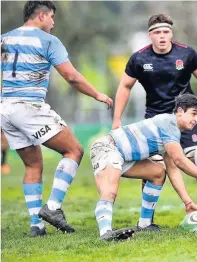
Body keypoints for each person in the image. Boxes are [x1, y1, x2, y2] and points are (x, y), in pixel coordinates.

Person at [0, 1, 113, 237]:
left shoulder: (5, 38)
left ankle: (36, 226)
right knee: (74, 150)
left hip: (6, 109)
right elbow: (71, 76)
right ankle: (53, 207)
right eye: (51, 17)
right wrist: (97, 94)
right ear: (41, 16)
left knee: (33, 165)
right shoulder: (48, 40)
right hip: (29, 107)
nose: (53, 23)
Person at [112, 13, 197, 203]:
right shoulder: (139, 58)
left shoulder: (186, 53)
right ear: (150, 35)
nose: (162, 36)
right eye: (157, 32)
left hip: (185, 117)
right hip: (155, 120)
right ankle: (146, 219)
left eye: (166, 31)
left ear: (171, 34)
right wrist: (117, 119)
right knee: (153, 168)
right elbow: (125, 86)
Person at [90, 94, 197, 241]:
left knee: (157, 172)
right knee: (110, 192)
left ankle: (144, 224)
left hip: (123, 157)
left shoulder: (172, 132)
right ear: (180, 111)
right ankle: (105, 234)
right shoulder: (169, 124)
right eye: (193, 114)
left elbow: (173, 169)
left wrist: (188, 202)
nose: (196, 119)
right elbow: (180, 160)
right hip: (108, 148)